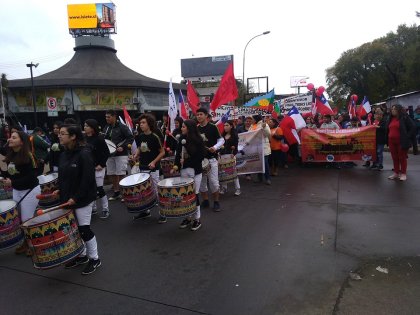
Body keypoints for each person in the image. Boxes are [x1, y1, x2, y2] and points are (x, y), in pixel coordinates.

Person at [56, 124, 101, 275]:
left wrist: (76, 197)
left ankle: (95, 259)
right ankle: (82, 256)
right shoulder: (63, 154)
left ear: (73, 136)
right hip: (67, 198)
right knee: (74, 230)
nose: (59, 136)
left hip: (83, 199)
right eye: (59, 133)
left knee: (84, 229)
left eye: (63, 133)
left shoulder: (84, 153)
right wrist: (59, 189)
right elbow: (63, 176)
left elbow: (88, 179)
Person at [1, 131, 41, 256]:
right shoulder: (11, 155)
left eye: (14, 138)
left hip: (30, 190)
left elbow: (31, 177)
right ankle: (25, 243)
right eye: (10, 137)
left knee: (26, 219)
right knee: (19, 220)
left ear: (22, 141)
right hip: (17, 190)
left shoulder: (29, 156)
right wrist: (4, 176)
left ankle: (33, 245)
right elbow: (11, 174)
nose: (10, 140)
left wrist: (11, 182)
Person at [172, 119, 205, 231]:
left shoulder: (199, 140)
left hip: (195, 171)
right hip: (184, 171)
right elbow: (178, 154)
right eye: (181, 127)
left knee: (193, 194)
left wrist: (185, 162)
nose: (181, 129)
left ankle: (197, 219)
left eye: (183, 127)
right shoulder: (181, 138)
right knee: (185, 195)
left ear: (189, 128)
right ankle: (187, 217)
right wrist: (175, 166)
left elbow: (200, 157)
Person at [131, 114, 165, 221]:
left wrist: (154, 162)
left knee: (156, 191)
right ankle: (145, 212)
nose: (141, 125)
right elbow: (140, 148)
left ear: (149, 124)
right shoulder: (140, 136)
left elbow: (162, 152)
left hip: (153, 169)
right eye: (140, 123)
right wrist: (135, 155)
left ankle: (163, 213)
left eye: (143, 122)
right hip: (142, 167)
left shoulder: (155, 137)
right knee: (143, 191)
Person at [196, 108, 225, 211]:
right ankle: (206, 200)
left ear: (206, 116)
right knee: (201, 183)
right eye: (197, 114)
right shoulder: (196, 128)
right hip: (200, 160)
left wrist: (215, 147)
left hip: (212, 159)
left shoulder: (213, 127)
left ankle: (216, 202)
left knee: (213, 182)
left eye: (201, 114)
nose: (199, 116)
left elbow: (221, 140)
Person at [103, 109, 134, 201]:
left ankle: (124, 193)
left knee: (120, 173)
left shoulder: (122, 127)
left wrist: (123, 147)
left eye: (108, 117)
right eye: (106, 117)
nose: (107, 119)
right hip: (109, 154)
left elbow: (130, 138)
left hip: (121, 154)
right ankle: (116, 192)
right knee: (112, 173)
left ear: (114, 116)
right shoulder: (107, 128)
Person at [84, 119, 110, 219]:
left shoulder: (99, 139)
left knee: (99, 189)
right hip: (88, 168)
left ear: (92, 128)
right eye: (84, 125)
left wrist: (101, 164)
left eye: (87, 126)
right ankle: (93, 208)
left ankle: (105, 209)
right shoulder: (84, 139)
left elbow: (106, 152)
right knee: (90, 188)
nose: (85, 127)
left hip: (99, 168)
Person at [387, 104, 416, 181]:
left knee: (402, 158)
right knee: (395, 158)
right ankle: (396, 173)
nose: (393, 110)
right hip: (391, 141)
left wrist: (407, 136)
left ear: (399, 110)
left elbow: (413, 127)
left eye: (395, 109)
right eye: (392, 109)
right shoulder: (390, 118)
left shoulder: (404, 117)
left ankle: (403, 173)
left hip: (401, 141)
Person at [219, 120, 241, 196]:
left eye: (227, 125)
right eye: (224, 125)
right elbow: (219, 145)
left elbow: (236, 147)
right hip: (222, 156)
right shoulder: (222, 136)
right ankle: (224, 188)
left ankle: (238, 189)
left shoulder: (234, 135)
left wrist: (234, 152)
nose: (225, 127)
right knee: (223, 173)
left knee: (233, 173)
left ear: (231, 126)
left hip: (230, 156)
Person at [250, 114, 272, 185]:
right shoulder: (252, 126)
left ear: (256, 119)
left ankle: (268, 178)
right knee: (258, 163)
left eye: (252, 119)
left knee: (265, 163)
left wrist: (264, 127)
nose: (251, 120)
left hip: (263, 148)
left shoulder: (264, 124)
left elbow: (268, 134)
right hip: (255, 148)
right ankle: (260, 178)